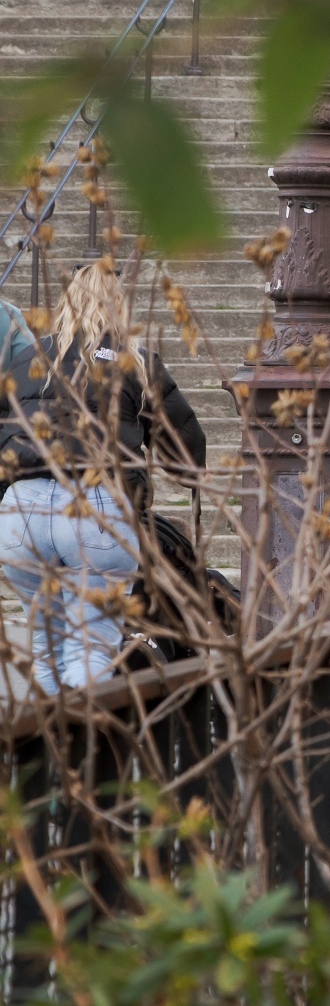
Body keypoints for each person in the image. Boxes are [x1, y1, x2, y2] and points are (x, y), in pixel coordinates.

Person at [0, 261, 208, 692]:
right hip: (96, 509)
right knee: (90, 648)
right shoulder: (135, 362)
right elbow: (184, 450)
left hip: (21, 511)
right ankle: (89, 750)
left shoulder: (25, 358)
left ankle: (50, 752)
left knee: (46, 648)